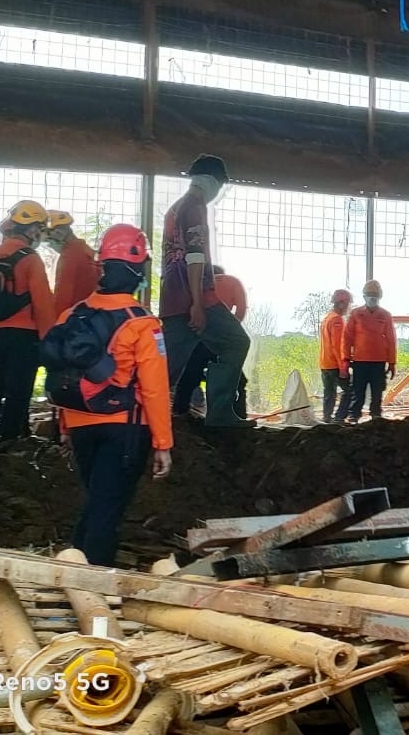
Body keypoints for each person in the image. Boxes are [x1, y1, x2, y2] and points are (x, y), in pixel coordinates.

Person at [49, 224, 172, 567]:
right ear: (139, 270)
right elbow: (154, 388)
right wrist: (163, 443)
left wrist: (64, 426)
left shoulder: (71, 315)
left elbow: (64, 375)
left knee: (98, 502)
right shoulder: (143, 323)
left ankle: (74, 567)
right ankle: (93, 581)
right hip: (125, 427)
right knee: (106, 509)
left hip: (80, 423)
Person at [159, 155, 252, 429]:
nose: (218, 192)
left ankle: (133, 416)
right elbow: (195, 256)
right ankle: (220, 414)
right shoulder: (195, 207)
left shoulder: (175, 209)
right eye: (219, 186)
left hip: (172, 300)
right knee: (236, 342)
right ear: (212, 182)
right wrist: (198, 303)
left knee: (166, 367)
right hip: (198, 299)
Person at [0, 200, 57, 451]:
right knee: (18, 391)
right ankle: (8, 443)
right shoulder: (30, 259)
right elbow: (43, 304)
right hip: (23, 336)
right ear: (32, 229)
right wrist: (50, 342)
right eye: (40, 229)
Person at [173, 265, 249, 415]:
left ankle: (179, 411)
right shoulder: (232, 282)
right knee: (236, 379)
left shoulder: (196, 285)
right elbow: (240, 311)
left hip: (199, 335)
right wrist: (229, 333)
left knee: (191, 374)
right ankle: (237, 414)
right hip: (223, 339)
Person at [343, 281, 398, 422]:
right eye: (369, 294)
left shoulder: (385, 315)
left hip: (378, 362)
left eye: (375, 295)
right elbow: (347, 338)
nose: (372, 297)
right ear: (364, 296)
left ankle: (376, 416)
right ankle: (354, 416)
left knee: (377, 392)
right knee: (358, 391)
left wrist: (392, 363)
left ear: (380, 296)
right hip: (360, 361)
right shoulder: (356, 314)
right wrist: (346, 359)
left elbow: (391, 340)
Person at [45, 210, 99, 311]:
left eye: (49, 240)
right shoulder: (85, 249)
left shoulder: (69, 256)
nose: (50, 245)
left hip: (75, 314)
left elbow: (62, 296)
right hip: (91, 311)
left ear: (59, 232)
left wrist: (56, 318)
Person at [318, 289, 352, 422]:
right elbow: (337, 346)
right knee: (350, 390)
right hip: (334, 364)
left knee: (329, 393)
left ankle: (327, 417)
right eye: (348, 304)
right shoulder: (337, 320)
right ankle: (339, 417)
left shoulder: (327, 318)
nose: (348, 307)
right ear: (341, 304)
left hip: (325, 363)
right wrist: (343, 367)